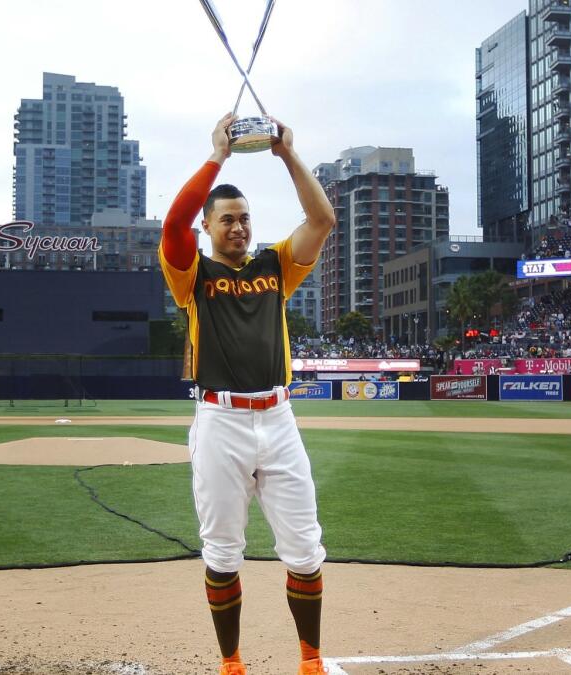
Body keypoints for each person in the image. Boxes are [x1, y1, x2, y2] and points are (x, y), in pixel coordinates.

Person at [159, 112, 336, 675]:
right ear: (209, 228)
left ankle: (310, 661)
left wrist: (286, 153)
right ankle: (231, 663)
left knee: (306, 551)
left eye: (245, 219)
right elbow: (171, 226)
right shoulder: (194, 276)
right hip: (220, 422)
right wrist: (218, 155)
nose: (238, 228)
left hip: (279, 419)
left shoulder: (276, 266)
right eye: (227, 220)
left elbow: (322, 218)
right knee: (222, 552)